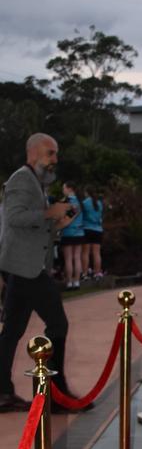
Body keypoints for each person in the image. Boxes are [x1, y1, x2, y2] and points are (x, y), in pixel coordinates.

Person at [0, 134, 79, 412]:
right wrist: (48, 213)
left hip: (22, 266)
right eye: (50, 153)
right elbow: (14, 218)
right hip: (25, 268)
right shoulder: (22, 179)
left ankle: (3, 391)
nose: (55, 159)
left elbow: (33, 230)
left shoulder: (36, 181)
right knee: (58, 324)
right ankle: (55, 395)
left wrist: (59, 223)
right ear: (33, 153)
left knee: (11, 331)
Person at [59, 182, 84, 289]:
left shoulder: (65, 202)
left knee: (68, 258)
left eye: (64, 188)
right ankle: (77, 281)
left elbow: (64, 219)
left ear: (69, 189)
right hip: (79, 232)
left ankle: (69, 282)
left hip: (68, 232)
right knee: (77, 257)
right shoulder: (80, 201)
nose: (63, 190)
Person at [81, 187, 104, 280]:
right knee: (96, 253)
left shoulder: (85, 203)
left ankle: (85, 273)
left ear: (87, 193)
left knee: (85, 252)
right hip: (98, 229)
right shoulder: (99, 203)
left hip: (87, 228)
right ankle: (97, 273)